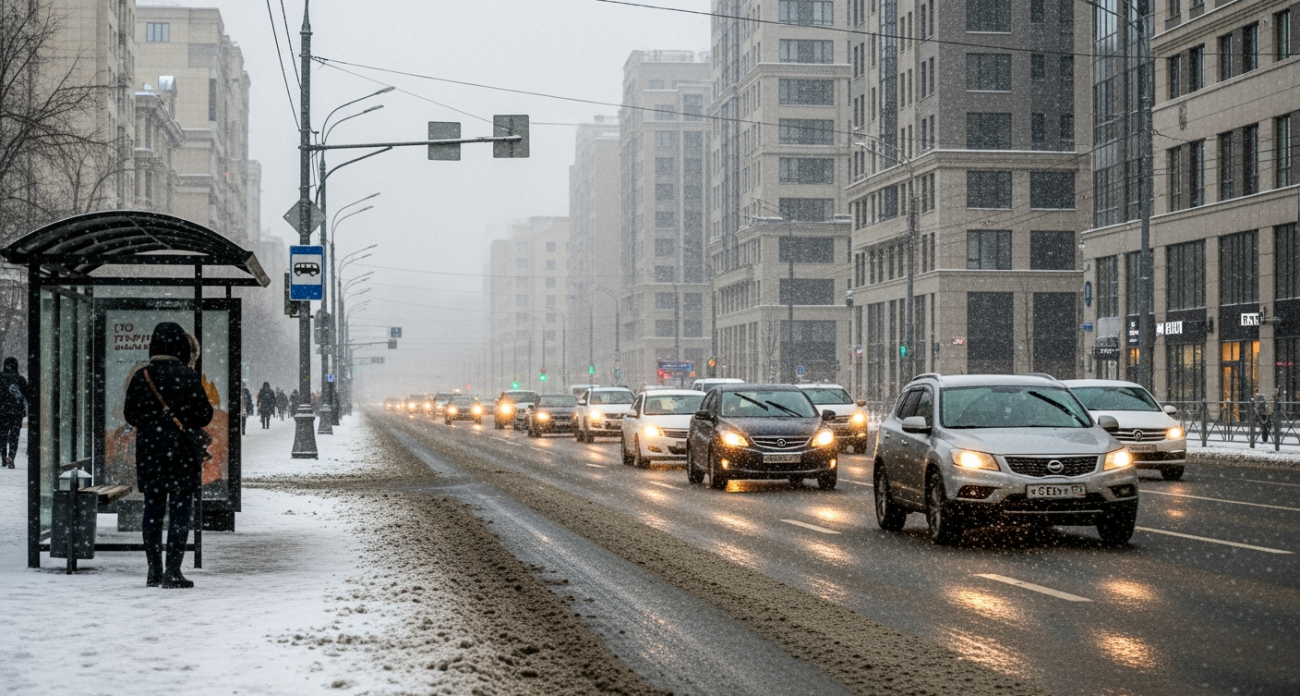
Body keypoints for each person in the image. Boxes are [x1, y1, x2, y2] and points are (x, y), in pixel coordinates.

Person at [123, 322, 213, 589]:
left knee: (152, 509)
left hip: (150, 454)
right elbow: (204, 415)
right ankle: (173, 572)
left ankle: (154, 571)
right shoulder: (187, 375)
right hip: (182, 456)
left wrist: (154, 422)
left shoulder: (142, 376)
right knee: (180, 511)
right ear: (181, 347)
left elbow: (130, 415)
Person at [0, 357, 30, 469]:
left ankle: (2, 453)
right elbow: (28, 395)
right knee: (14, 435)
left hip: (2, 411)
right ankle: (11, 456)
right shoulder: (20, 379)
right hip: (16, 412)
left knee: (2, 433)